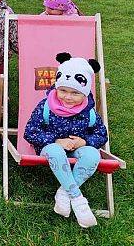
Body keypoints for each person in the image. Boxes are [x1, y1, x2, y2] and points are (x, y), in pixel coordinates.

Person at [24, 52, 107, 228]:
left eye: (75, 93)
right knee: (55, 150)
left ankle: (63, 194)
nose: (68, 97)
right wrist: (56, 140)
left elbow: (101, 134)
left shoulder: (89, 112)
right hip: (50, 147)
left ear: (85, 93)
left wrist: (84, 142)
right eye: (63, 90)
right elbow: (30, 132)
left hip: (78, 146)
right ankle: (78, 201)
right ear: (56, 87)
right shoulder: (46, 106)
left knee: (93, 155)